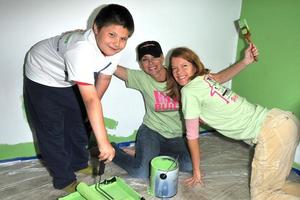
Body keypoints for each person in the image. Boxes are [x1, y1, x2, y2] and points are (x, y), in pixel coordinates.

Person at [24, 4, 134, 192]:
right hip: (42, 74)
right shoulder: (81, 50)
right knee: (52, 131)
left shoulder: (114, 49)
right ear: (96, 29)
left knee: (78, 122)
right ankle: (64, 179)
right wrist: (103, 142)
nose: (117, 43)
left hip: (69, 77)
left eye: (123, 38)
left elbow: (105, 78)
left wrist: (88, 109)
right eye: (112, 35)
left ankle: (79, 163)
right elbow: (91, 100)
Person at [166, 46, 300, 200]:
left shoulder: (189, 91)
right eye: (174, 68)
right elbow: (222, 77)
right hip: (285, 122)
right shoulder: (205, 78)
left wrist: (196, 170)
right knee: (275, 185)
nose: (179, 72)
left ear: (194, 66)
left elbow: (192, 136)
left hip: (271, 133)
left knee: (264, 195)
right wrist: (246, 61)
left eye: (184, 66)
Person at [112, 40, 259, 179]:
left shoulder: (180, 74)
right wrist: (98, 53)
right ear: (140, 63)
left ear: (162, 58)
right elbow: (112, 67)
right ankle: (114, 151)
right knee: (141, 172)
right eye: (145, 59)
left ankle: (146, 153)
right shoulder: (141, 78)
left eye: (155, 57)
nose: (151, 63)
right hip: (152, 131)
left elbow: (219, 78)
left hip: (176, 136)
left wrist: (245, 61)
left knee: (188, 165)